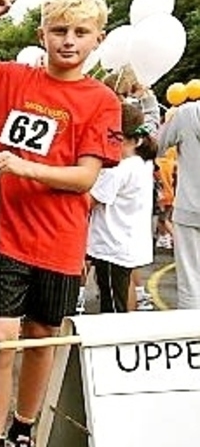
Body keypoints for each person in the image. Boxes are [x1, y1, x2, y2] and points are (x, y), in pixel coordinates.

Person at [0, 0, 121, 447]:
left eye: (80, 32)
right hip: (3, 235)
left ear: (98, 39)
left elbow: (85, 177)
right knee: (1, 336)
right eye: (58, 30)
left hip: (60, 243)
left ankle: (24, 427)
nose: (68, 40)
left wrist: (22, 165)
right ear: (42, 34)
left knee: (41, 335)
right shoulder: (14, 79)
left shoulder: (101, 101)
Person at [86, 103, 157, 313]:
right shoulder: (142, 161)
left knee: (113, 304)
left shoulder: (118, 170)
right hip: (128, 241)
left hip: (111, 245)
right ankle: (126, 335)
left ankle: (114, 341)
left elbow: (89, 201)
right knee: (125, 292)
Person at [158, 98, 200, 309]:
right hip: (187, 210)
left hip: (189, 207)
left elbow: (157, 145)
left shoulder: (187, 114)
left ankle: (193, 337)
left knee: (191, 281)